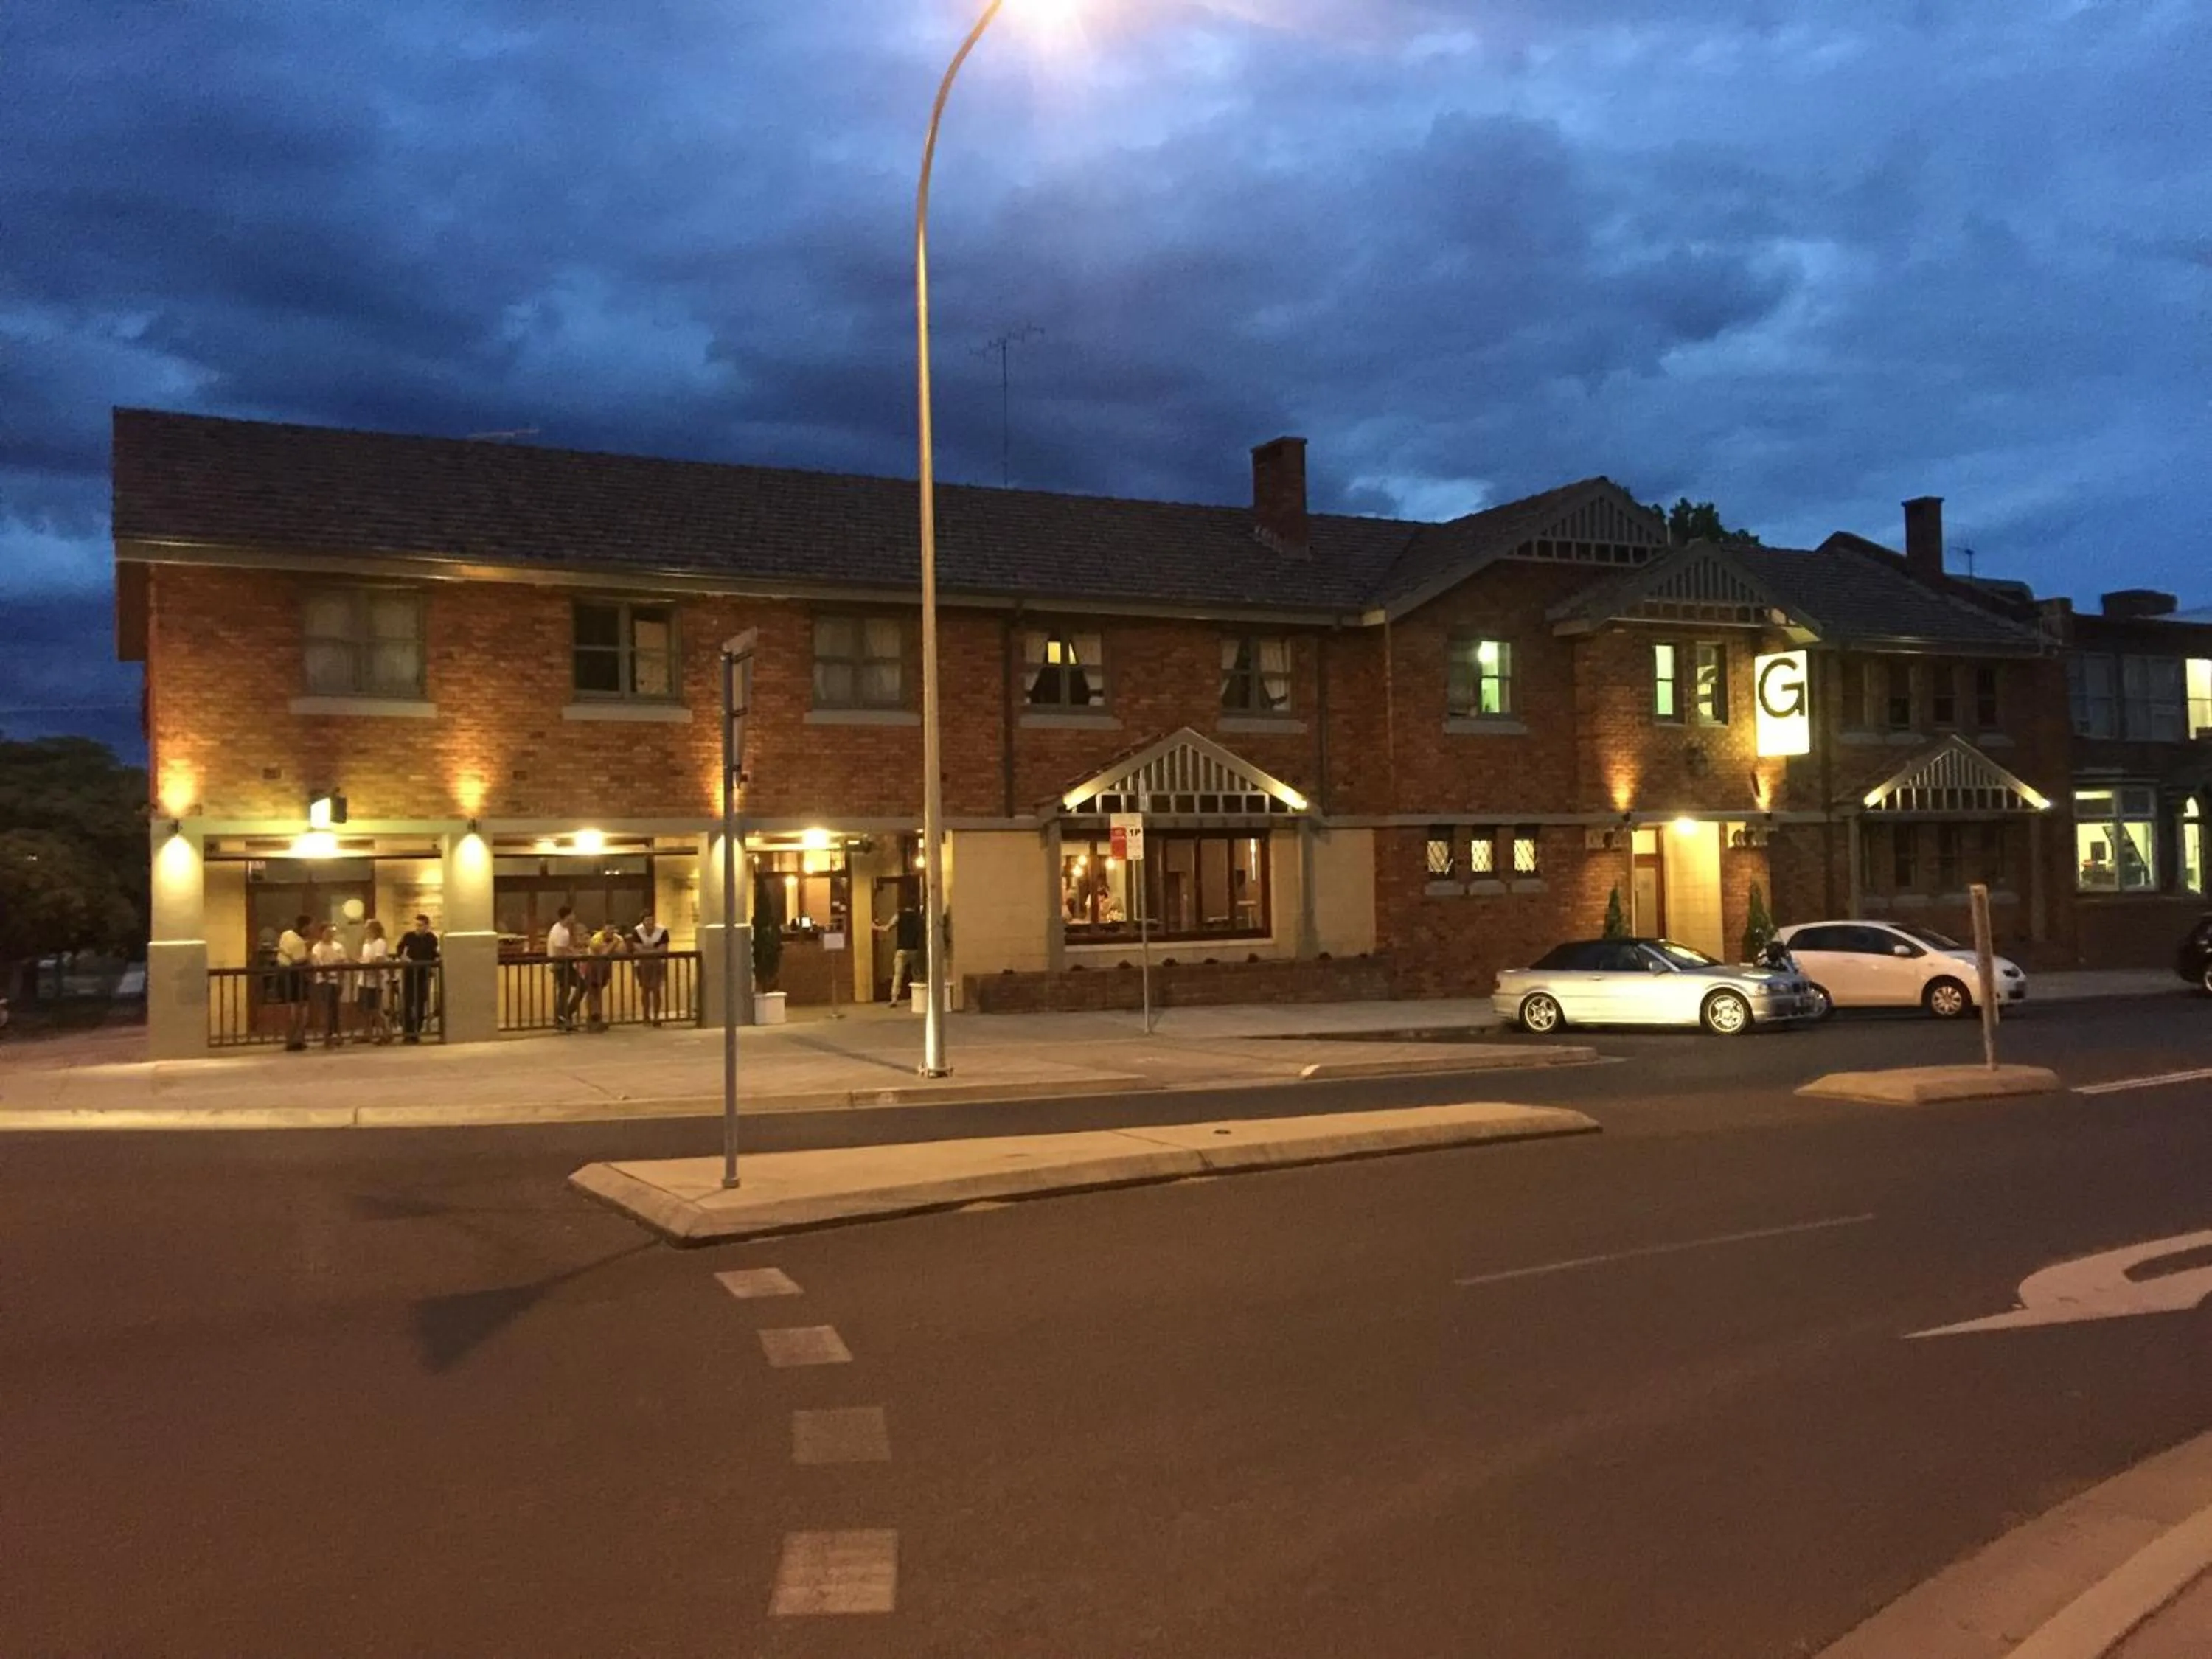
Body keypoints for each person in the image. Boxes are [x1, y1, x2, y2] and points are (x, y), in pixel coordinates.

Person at [395, 913, 439, 1043]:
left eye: (420, 925)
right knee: (408, 1003)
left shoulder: (431, 939)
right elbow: (400, 950)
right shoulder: (409, 937)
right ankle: (407, 1032)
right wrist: (405, 959)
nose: (418, 928)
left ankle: (416, 1032)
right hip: (409, 973)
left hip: (423, 974)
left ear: (427, 926)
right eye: (416, 925)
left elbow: (434, 953)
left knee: (420, 1004)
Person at [308, 921, 349, 1049]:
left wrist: (341, 977)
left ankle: (337, 1034)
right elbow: (317, 963)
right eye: (327, 932)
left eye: (331, 932)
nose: (330, 934)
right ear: (321, 933)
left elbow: (343, 961)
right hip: (324, 981)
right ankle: (327, 1035)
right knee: (327, 1009)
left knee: (336, 1008)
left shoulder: (338, 946)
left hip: (336, 981)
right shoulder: (317, 948)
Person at [875, 900, 925, 1006]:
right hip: (914, 949)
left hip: (901, 950)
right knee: (916, 975)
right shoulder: (918, 917)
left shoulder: (899, 915)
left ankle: (894, 999)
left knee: (898, 975)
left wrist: (875, 927)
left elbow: (887, 928)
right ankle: (919, 998)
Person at [276, 914, 314, 1051]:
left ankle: (291, 1039)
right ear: (304, 927)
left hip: (283, 974)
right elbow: (300, 961)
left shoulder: (286, 934)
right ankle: (297, 1039)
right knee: (300, 1009)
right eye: (310, 926)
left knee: (291, 1008)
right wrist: (309, 951)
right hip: (296, 977)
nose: (311, 929)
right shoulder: (299, 943)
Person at [356, 918, 394, 1045]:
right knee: (364, 1009)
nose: (366, 931)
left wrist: (368, 962)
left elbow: (378, 959)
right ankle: (367, 1033)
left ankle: (386, 1032)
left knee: (375, 1008)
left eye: (368, 928)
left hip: (375, 981)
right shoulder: (366, 944)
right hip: (364, 979)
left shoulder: (380, 942)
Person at [546, 905, 583, 1032]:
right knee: (576, 986)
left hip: (565, 964)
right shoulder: (559, 931)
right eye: (573, 914)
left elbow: (565, 948)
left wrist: (576, 952)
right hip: (560, 965)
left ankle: (563, 1016)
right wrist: (575, 955)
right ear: (567, 916)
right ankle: (564, 1015)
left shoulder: (563, 929)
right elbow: (559, 951)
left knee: (565, 990)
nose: (574, 917)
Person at [583, 922, 626, 1032]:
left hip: (605, 968)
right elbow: (603, 953)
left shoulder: (617, 938)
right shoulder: (597, 938)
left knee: (598, 992)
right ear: (603, 930)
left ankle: (597, 1018)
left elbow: (622, 951)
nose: (610, 933)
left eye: (612, 930)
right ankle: (593, 1019)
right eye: (607, 930)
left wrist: (612, 946)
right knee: (592, 992)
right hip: (592, 967)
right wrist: (614, 944)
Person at [631, 911, 669, 1027]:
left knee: (656, 989)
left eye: (652, 920)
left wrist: (647, 950)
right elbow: (638, 949)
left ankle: (657, 1016)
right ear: (642, 922)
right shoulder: (637, 931)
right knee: (645, 989)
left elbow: (663, 949)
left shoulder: (662, 931)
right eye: (647, 920)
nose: (650, 923)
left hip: (659, 964)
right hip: (641, 964)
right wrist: (654, 950)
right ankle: (646, 1015)